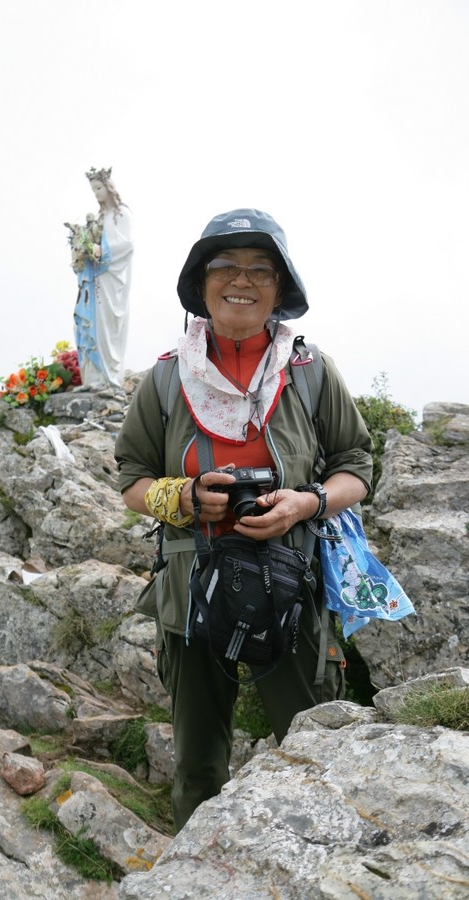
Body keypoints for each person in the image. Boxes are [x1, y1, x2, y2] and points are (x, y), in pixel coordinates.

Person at [114, 208, 373, 831]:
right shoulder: (168, 378)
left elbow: (357, 466)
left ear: (280, 290)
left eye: (262, 269)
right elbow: (131, 478)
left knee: (313, 750)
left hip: (292, 585)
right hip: (190, 588)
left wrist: (306, 502)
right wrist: (182, 498)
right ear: (201, 285)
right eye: (225, 266)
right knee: (199, 763)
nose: (242, 280)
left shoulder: (310, 374)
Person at [71, 167, 133, 387]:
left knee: (107, 328)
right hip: (94, 279)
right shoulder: (99, 218)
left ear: (109, 187)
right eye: (93, 189)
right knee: (88, 324)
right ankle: (92, 378)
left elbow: (127, 245)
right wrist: (83, 249)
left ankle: (108, 378)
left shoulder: (121, 214)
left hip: (110, 281)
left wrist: (101, 250)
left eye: (99, 188)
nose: (96, 193)